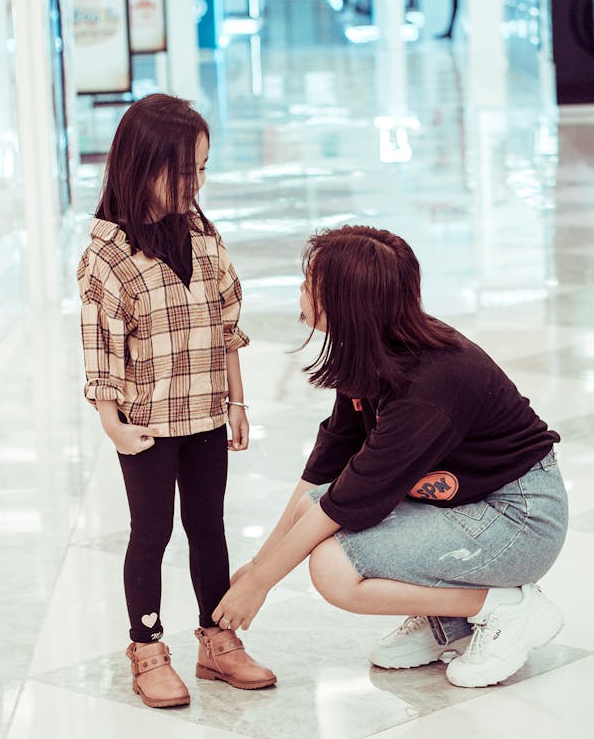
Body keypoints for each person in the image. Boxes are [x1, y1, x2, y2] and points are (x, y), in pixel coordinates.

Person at [214, 225, 568, 688]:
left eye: (309, 284)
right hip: (464, 504)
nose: (300, 292)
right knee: (316, 513)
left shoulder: (432, 384)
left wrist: (261, 584)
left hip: (519, 519)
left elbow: (350, 501)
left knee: (335, 569)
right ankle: (449, 624)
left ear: (347, 301)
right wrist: (259, 566)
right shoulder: (371, 350)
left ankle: (505, 609)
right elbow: (327, 467)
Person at [77, 93, 275, 709]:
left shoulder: (202, 234)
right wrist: (111, 423)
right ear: (143, 166)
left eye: (203, 170)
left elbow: (226, 325)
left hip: (206, 414)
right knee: (152, 531)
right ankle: (147, 648)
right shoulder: (107, 256)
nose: (195, 184)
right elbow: (101, 348)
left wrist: (238, 405)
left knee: (208, 528)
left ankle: (219, 642)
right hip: (147, 424)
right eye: (185, 170)